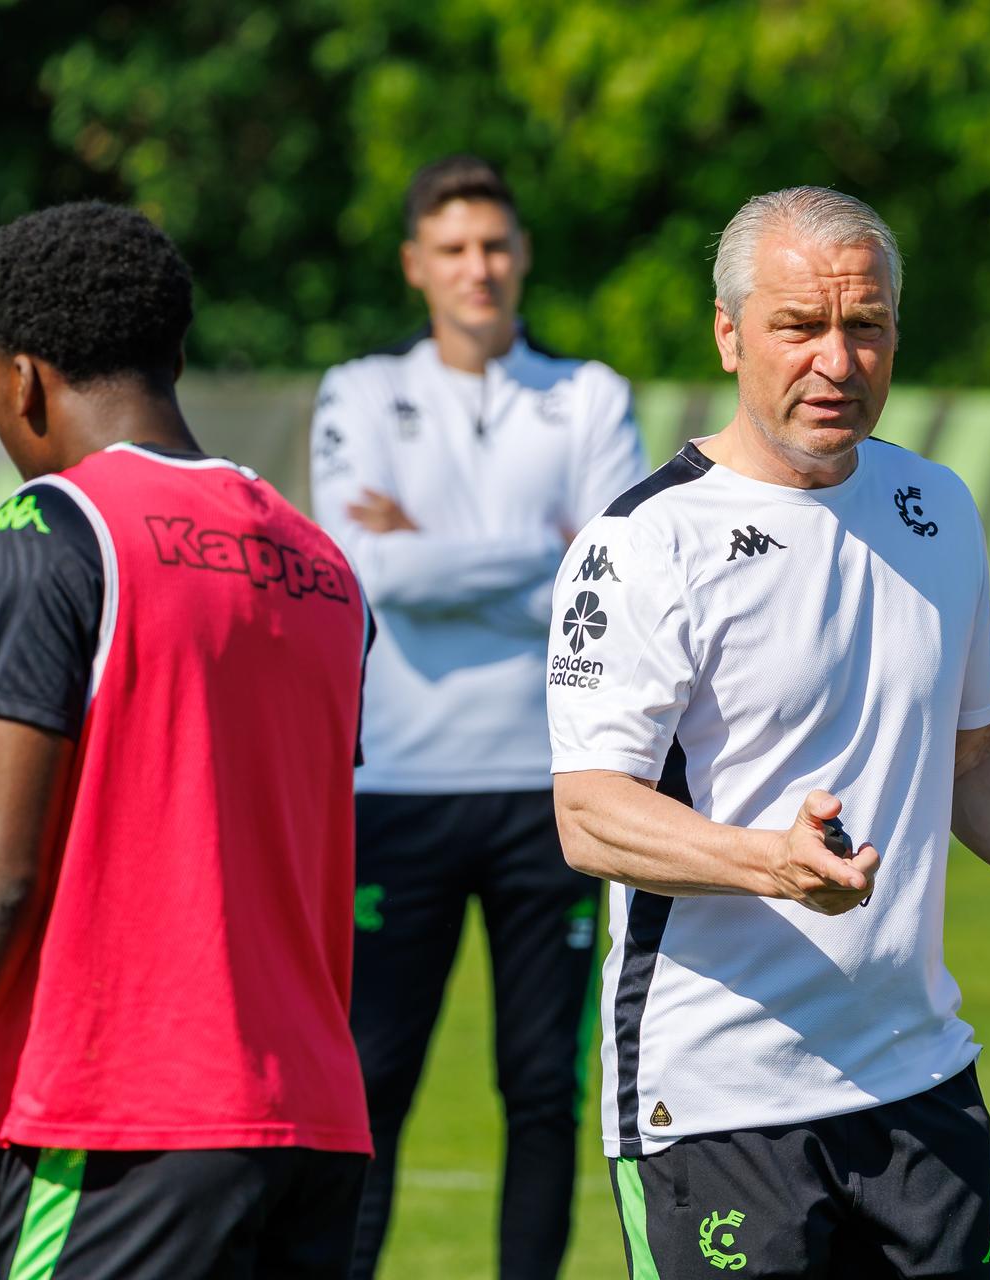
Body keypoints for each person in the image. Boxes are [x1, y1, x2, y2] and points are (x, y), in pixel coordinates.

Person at [547, 185, 990, 1279]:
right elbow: (589, 814)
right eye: (800, 326)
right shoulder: (641, 543)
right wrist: (768, 862)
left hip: (919, 1083)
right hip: (718, 1103)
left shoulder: (935, 504)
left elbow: (973, 758)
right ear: (729, 335)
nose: (838, 358)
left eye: (865, 325)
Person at [0, 202, 373, 1276]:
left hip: (127, 1124)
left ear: (20, 378)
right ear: (174, 349)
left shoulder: (55, 529)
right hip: (314, 1124)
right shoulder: (325, 569)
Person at [309, 154, 647, 1279]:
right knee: (369, 1079)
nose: (477, 268)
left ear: (523, 255)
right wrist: (539, 550)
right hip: (394, 787)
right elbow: (366, 572)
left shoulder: (589, 394)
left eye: (495, 245)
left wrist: (434, 543)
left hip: (552, 789)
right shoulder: (359, 390)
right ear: (416, 264)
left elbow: (610, 577)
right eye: (452, 248)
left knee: (543, 1086)